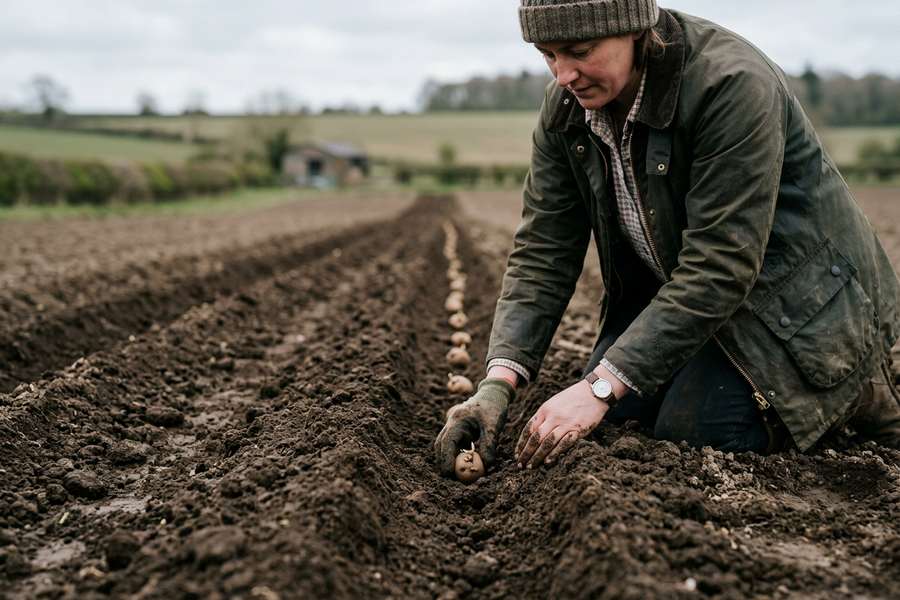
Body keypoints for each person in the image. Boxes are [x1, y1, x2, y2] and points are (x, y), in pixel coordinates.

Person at [434, 0, 900, 476]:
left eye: (579, 50)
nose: (563, 75)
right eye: (548, 54)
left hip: (795, 305)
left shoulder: (731, 85)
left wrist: (598, 386)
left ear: (635, 30)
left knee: (696, 433)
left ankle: (853, 390)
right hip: (691, 297)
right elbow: (543, 252)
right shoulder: (567, 108)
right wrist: (497, 383)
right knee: (617, 418)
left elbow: (721, 265)